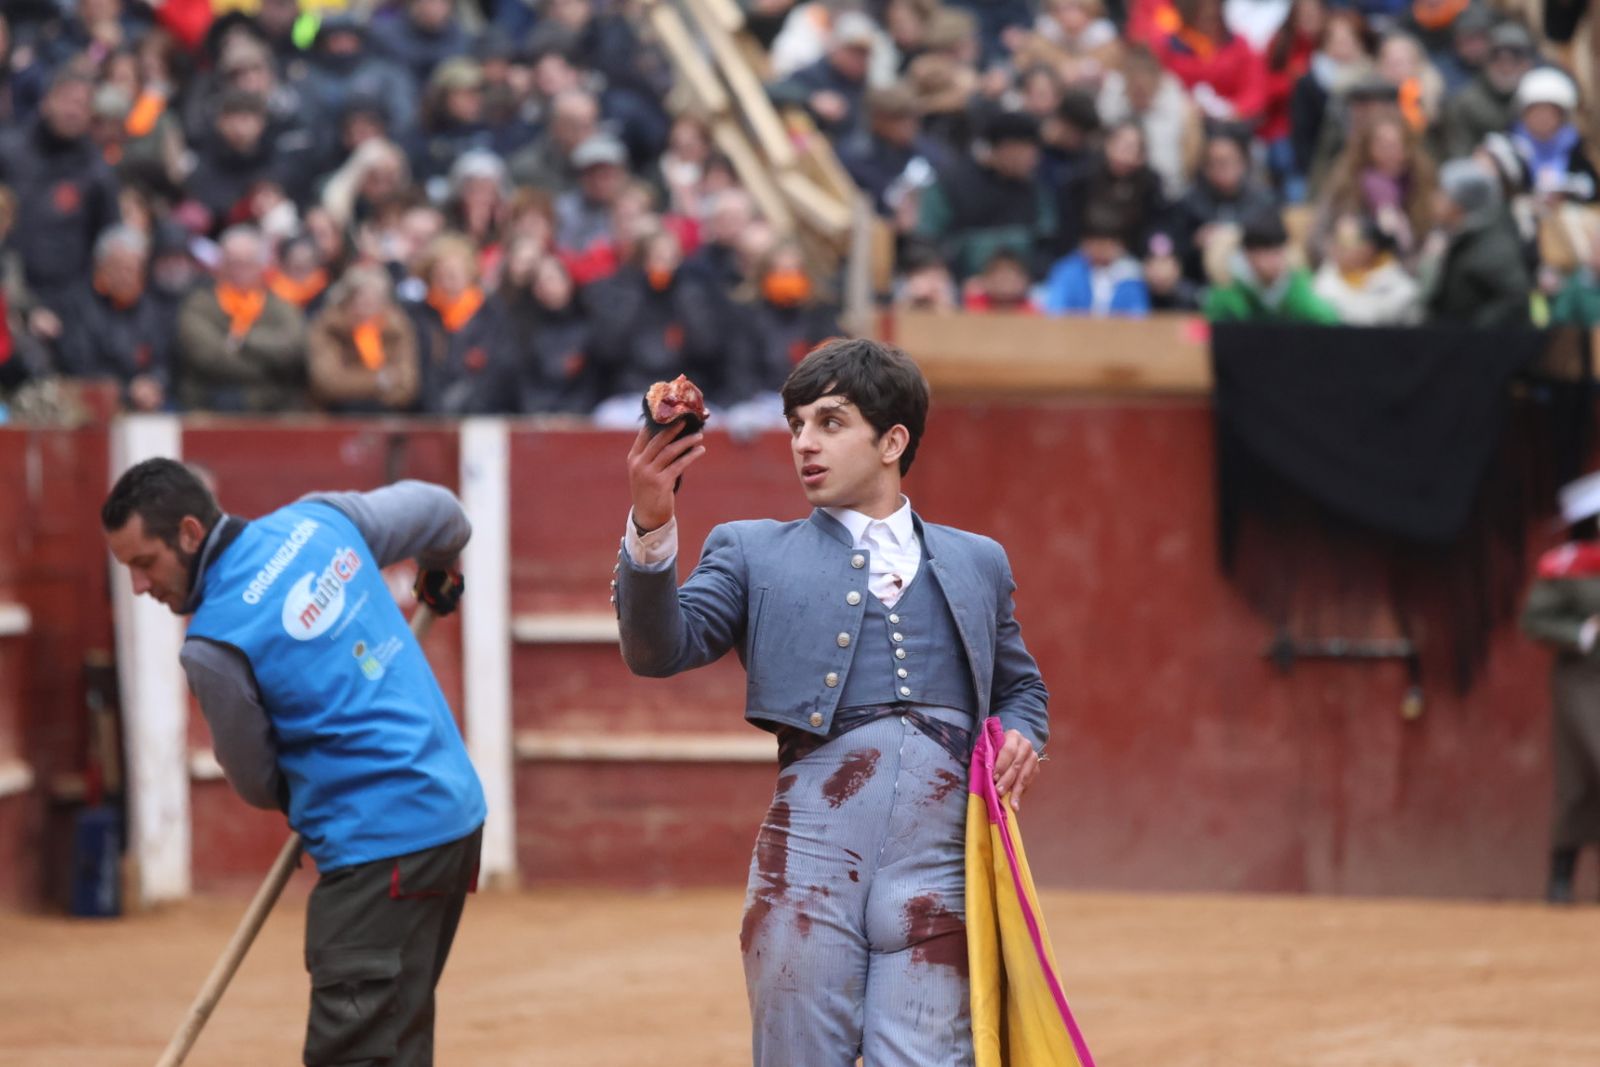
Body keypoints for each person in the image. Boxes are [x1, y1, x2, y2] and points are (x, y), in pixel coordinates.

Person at [615, 337, 1049, 1067]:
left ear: (892, 441)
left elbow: (1020, 686)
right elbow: (659, 651)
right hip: (808, 863)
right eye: (796, 425)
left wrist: (1024, 733)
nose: (804, 443)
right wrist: (652, 524)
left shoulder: (978, 560)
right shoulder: (751, 551)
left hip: (940, 866)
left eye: (830, 422)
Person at [100, 458, 485, 1064]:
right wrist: (438, 571)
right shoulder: (319, 522)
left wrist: (310, 782)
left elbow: (256, 782)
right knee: (393, 1039)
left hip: (380, 852)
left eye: (145, 563)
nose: (139, 586)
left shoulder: (213, 646)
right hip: (453, 819)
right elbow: (444, 515)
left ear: (190, 534)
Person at [1520, 470, 1600, 903]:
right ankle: (1561, 877)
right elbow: (1535, 620)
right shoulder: (1567, 566)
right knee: (1581, 776)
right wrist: (1583, 632)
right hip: (1584, 682)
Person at [176, 224, 308, 413]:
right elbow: (209, 358)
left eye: (248, 263)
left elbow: (292, 350)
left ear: (262, 266)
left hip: (274, 409)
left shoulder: (282, 308)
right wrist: (270, 369)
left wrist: (240, 340)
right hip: (209, 403)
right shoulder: (199, 305)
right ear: (220, 265)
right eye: (233, 263)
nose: (239, 271)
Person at [56, 223, 172, 411]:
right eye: (119, 268)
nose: (127, 276)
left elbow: (162, 361)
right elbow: (80, 366)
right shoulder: (78, 306)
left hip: (145, 404)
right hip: (91, 409)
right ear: (100, 266)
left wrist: (154, 383)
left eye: (134, 269)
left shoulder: (150, 308)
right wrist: (127, 390)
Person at [1423, 157, 1530, 327]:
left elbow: (1515, 299)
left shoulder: (1491, 244)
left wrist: (1471, 332)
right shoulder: (1454, 238)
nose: (1433, 200)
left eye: (1441, 193)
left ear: (1460, 202)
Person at [307, 265, 421, 414]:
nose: (369, 306)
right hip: (337, 413)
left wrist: (372, 392)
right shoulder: (329, 328)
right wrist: (381, 380)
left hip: (387, 412)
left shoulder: (397, 329)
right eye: (363, 299)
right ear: (348, 300)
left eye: (376, 300)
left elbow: (407, 385)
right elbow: (328, 383)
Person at [1204, 209, 1341, 323]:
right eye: (1264, 254)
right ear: (1248, 255)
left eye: (1276, 253)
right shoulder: (1228, 290)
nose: (1271, 262)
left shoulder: (1297, 284)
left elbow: (1327, 319)